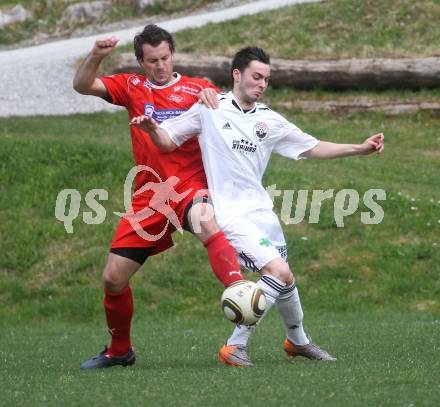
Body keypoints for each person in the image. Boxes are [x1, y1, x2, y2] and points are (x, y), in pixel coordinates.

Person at [131, 46, 385, 366]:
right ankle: (235, 346)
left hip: (262, 213)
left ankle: (297, 341)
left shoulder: (270, 120)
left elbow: (312, 147)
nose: (262, 83)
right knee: (277, 271)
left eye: (266, 78)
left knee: (286, 279)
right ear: (236, 75)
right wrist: (152, 128)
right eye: (256, 76)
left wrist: (359, 149)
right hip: (230, 213)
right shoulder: (210, 107)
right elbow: (168, 139)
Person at [73, 25, 244, 369]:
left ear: (173, 55)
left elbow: (227, 110)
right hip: (150, 197)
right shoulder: (131, 87)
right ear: (141, 61)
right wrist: (96, 56)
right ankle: (120, 349)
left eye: (165, 58)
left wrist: (216, 99)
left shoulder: (198, 88)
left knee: (205, 220)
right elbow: (82, 85)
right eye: (152, 61)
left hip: (191, 187)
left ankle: (240, 290)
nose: (160, 65)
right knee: (113, 278)